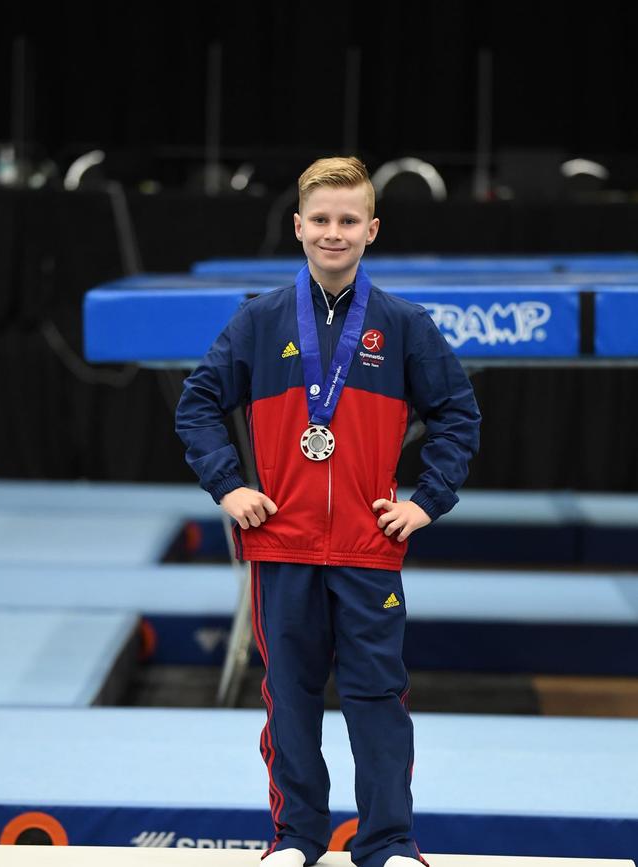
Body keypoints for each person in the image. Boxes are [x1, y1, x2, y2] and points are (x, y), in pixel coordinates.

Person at [174, 156, 482, 867]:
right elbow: (197, 405)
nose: (333, 233)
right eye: (321, 220)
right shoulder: (260, 321)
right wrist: (228, 487)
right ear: (298, 227)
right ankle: (296, 838)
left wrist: (426, 501)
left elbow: (458, 414)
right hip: (280, 544)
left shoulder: (403, 325)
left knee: (378, 699)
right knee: (291, 702)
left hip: (368, 548)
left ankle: (389, 841)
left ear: (371, 229)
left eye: (348, 221)